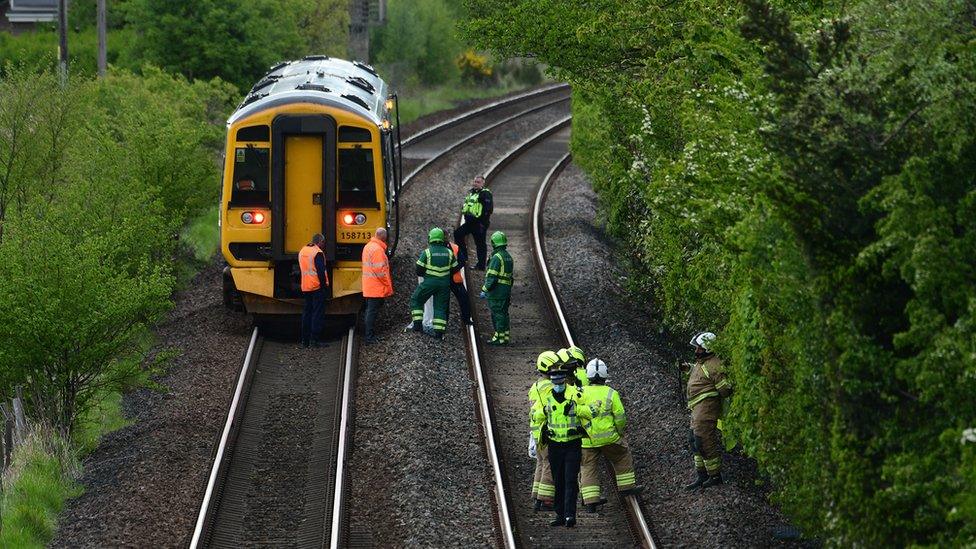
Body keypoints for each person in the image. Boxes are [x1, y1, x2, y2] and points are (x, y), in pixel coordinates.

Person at [577, 358, 644, 512]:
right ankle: (626, 487)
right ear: (605, 375)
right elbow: (620, 416)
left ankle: (590, 503)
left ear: (588, 375)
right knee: (622, 456)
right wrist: (619, 432)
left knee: (588, 467)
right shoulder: (611, 393)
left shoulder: (580, 393)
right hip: (609, 438)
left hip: (586, 439)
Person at [532, 369, 585, 528]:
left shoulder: (575, 395)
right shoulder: (547, 398)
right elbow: (535, 415)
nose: (558, 386)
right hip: (554, 446)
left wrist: (578, 409)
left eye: (560, 383)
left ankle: (570, 515)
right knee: (558, 480)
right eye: (555, 383)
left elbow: (587, 411)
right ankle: (560, 514)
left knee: (570, 479)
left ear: (564, 382)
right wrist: (542, 412)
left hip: (572, 444)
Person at [683, 331, 732, 490]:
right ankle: (702, 476)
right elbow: (700, 373)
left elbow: (725, 389)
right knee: (694, 440)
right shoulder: (703, 362)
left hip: (706, 408)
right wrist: (686, 368)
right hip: (697, 407)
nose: (696, 351)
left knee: (703, 440)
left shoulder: (715, 365)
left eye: (699, 348)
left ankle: (715, 476)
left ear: (708, 349)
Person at [410, 228, 459, 340]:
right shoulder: (449, 252)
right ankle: (439, 334)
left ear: (430, 238)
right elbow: (455, 268)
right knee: (440, 307)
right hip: (444, 285)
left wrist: (427, 275)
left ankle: (418, 326)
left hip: (429, 283)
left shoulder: (427, 252)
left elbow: (419, 269)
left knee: (416, 299)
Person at [529, 350, 561, 511]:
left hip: (536, 430)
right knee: (550, 462)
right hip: (547, 430)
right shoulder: (551, 387)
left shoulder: (535, 386)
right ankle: (546, 499)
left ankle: (537, 495)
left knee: (541, 462)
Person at [478, 231, 513, 345]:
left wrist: (484, 289)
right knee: (503, 313)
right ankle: (504, 336)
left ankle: (499, 338)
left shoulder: (497, 257)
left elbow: (492, 276)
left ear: (494, 243)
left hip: (497, 291)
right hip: (505, 290)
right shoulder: (508, 256)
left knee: (497, 314)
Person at [453, 175, 493, 270]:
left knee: (480, 244)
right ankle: (463, 257)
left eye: (478, 182)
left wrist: (483, 224)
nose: (475, 184)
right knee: (458, 234)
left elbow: (488, 210)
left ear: (482, 183)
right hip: (470, 223)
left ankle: (481, 265)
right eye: (475, 182)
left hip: (479, 224)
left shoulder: (485, 194)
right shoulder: (472, 193)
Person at [361, 227, 393, 344]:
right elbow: (380, 271)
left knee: (370, 310)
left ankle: (370, 335)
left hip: (369, 286)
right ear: (384, 238)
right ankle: (369, 337)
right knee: (372, 311)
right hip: (376, 287)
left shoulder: (368, 247)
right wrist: (387, 285)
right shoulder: (378, 250)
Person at [299, 233, 329, 347]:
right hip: (317, 287)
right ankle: (314, 340)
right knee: (317, 313)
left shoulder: (303, 251)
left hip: (306, 286)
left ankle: (304, 341)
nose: (324, 245)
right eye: (323, 242)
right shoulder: (317, 253)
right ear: (320, 241)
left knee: (307, 313)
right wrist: (324, 286)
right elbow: (321, 271)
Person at [448, 233, 473, 326]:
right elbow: (462, 261)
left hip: (451, 278)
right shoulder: (454, 247)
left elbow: (462, 261)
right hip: (449, 279)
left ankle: (466, 319)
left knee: (464, 299)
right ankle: (466, 319)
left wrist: (453, 269)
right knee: (463, 298)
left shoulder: (455, 247)